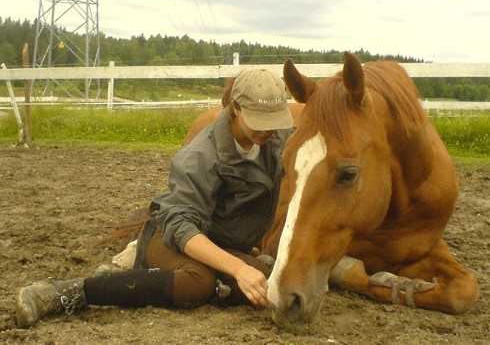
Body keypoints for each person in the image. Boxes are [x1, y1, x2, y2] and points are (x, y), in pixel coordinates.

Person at [15, 68, 294, 327]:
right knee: (199, 283)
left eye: (273, 122)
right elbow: (182, 227)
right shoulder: (199, 157)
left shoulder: (275, 139)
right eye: (259, 121)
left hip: (224, 241)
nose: (268, 130)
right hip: (176, 236)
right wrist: (237, 268)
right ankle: (68, 292)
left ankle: (134, 278)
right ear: (235, 108)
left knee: (267, 287)